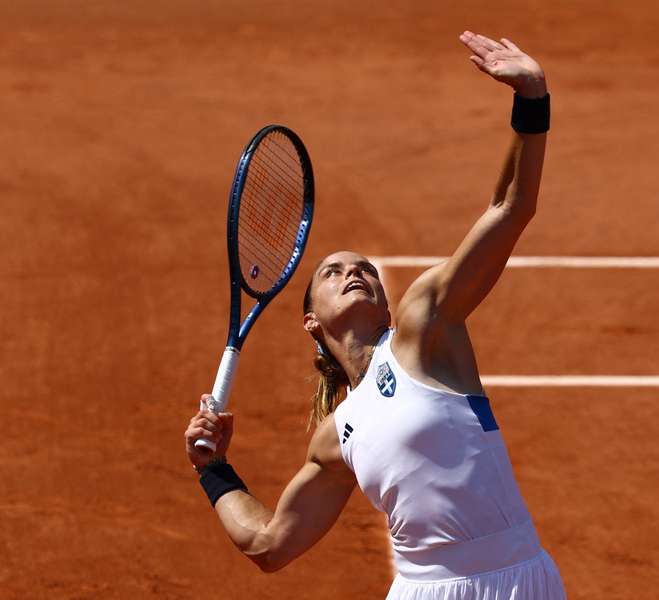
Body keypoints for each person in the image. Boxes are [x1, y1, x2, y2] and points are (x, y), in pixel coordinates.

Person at [184, 30, 566, 599]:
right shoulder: (337, 438)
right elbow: (268, 545)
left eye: (363, 268)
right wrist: (213, 469)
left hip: (518, 583)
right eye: (333, 273)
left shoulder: (423, 331)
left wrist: (531, 99)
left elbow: (511, 208)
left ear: (388, 304)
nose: (354, 272)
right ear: (312, 320)